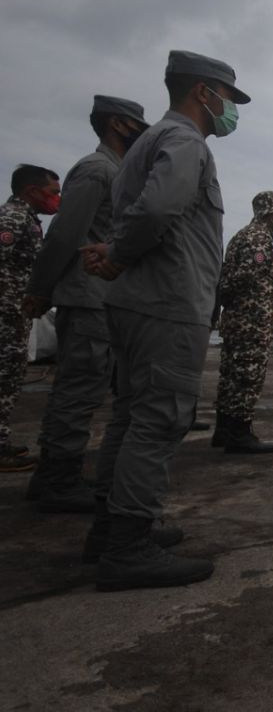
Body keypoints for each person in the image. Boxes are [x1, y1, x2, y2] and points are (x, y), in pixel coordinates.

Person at [79, 49, 250, 591]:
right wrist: (121, 254)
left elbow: (140, 212)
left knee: (130, 419)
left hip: (136, 302)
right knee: (158, 420)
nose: (231, 110)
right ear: (204, 92)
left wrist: (115, 254)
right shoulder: (185, 141)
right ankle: (129, 547)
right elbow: (155, 212)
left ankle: (111, 530)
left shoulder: (147, 143)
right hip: (169, 303)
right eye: (227, 97)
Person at [22, 97, 148, 508]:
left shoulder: (115, 171)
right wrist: (39, 289)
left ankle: (53, 475)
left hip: (101, 297)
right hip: (88, 296)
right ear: (118, 124)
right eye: (135, 126)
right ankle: (58, 479)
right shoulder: (98, 170)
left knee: (85, 388)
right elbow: (64, 234)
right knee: (77, 390)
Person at [210, 191, 273, 455]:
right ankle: (240, 433)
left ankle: (224, 429)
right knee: (247, 377)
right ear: (269, 213)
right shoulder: (259, 239)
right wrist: (239, 302)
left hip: (238, 319)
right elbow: (246, 275)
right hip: (252, 321)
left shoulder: (242, 236)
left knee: (231, 376)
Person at [0, 165, 61, 472]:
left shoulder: (27, 220)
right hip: (5, 314)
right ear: (32, 191)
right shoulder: (12, 218)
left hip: (14, 314)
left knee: (8, 379)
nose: (57, 198)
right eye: (53, 192)